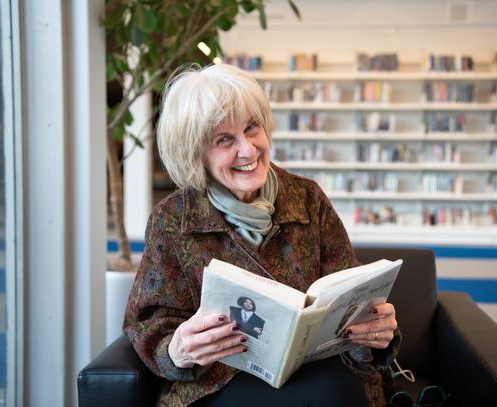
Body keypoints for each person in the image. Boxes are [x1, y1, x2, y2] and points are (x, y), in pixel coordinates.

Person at [123, 63, 400, 407]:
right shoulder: (173, 218)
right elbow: (150, 321)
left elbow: (347, 292)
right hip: (222, 378)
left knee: (334, 393)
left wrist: (372, 330)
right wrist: (177, 349)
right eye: (226, 140)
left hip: (316, 371)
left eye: (252, 128)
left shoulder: (307, 198)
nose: (248, 150)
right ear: (196, 153)